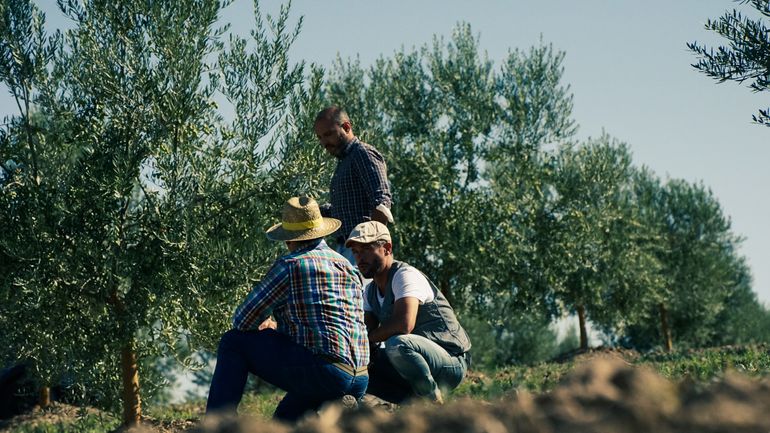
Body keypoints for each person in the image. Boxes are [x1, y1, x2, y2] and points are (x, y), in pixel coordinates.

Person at [205, 197, 370, 422]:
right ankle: (336, 401)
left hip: (323, 371)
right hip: (360, 375)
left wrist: (268, 325)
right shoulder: (348, 267)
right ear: (321, 232)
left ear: (289, 240)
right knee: (282, 422)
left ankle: (217, 425)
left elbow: (243, 320)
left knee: (233, 341)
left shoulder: (291, 265)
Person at [345, 221, 471, 404]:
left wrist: (369, 339)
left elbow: (404, 325)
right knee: (355, 368)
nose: (359, 258)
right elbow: (365, 334)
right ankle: (414, 408)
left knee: (397, 343)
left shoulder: (404, 276)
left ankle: (432, 402)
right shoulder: (370, 291)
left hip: (451, 361)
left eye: (365, 250)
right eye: (355, 252)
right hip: (413, 361)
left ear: (387, 248)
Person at [314, 106, 393, 262]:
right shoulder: (345, 161)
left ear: (346, 127)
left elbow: (382, 202)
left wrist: (368, 248)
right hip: (348, 248)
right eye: (320, 137)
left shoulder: (362, 154)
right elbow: (347, 209)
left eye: (328, 134)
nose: (324, 142)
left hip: (360, 249)